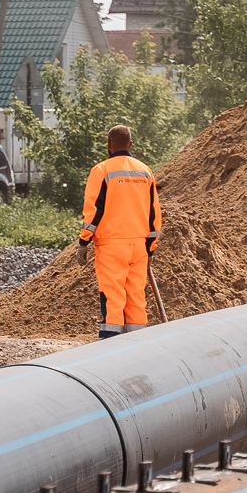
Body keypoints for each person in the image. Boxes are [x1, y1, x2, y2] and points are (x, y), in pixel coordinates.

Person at [77, 125, 162, 340]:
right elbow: (154, 213)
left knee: (113, 296)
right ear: (130, 145)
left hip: (111, 245)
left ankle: (110, 345)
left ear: (109, 145)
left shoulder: (102, 170)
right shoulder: (145, 171)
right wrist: (150, 248)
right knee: (136, 298)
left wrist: (83, 242)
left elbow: (94, 210)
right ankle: (139, 345)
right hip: (139, 246)